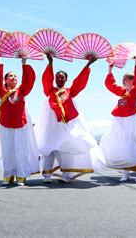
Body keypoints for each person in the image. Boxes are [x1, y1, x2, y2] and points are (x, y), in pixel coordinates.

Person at [35, 54, 106, 183]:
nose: (59, 78)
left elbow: (79, 83)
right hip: (51, 124)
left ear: (66, 79)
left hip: (66, 124)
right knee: (49, 148)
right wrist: (50, 63)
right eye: (57, 77)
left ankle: (66, 175)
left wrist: (88, 65)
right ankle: (47, 176)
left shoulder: (70, 91)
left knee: (65, 149)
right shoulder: (50, 91)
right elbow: (46, 80)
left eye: (62, 77)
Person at [0, 55, 39, 186]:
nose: (14, 78)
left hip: (20, 125)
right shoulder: (1, 91)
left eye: (15, 76)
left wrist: (24, 63)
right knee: (7, 151)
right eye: (10, 76)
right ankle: (8, 176)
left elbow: (29, 81)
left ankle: (21, 176)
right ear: (5, 80)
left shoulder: (22, 91)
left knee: (21, 150)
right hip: (5, 125)